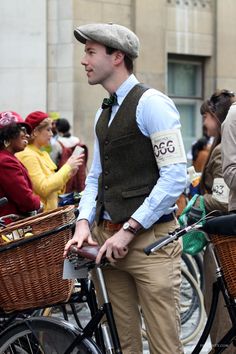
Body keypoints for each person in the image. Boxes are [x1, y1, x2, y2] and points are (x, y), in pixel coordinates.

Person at [64, 23, 187, 354]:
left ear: (116, 57)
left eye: (90, 52)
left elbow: (176, 176)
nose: (83, 60)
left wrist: (130, 228)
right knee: (123, 344)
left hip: (151, 245)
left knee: (165, 346)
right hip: (108, 244)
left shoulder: (152, 103)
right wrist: (83, 223)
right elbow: (97, 178)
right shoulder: (102, 113)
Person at [189, 90, 236, 353]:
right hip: (221, 233)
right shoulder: (216, 147)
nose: (204, 123)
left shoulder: (219, 152)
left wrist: (199, 200)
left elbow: (221, 199)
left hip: (220, 235)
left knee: (218, 304)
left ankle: (223, 348)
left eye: (206, 116)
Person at [16, 111, 84, 211]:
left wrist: (68, 174)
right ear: (35, 132)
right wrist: (67, 167)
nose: (51, 134)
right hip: (39, 219)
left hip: (48, 216)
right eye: (48, 130)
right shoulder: (27, 155)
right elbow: (44, 189)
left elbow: (56, 190)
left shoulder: (42, 154)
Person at [0, 111, 41, 222]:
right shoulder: (5, 161)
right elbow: (26, 200)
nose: (27, 135)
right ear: (9, 134)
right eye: (22, 130)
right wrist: (38, 203)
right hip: (10, 230)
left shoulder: (7, 158)